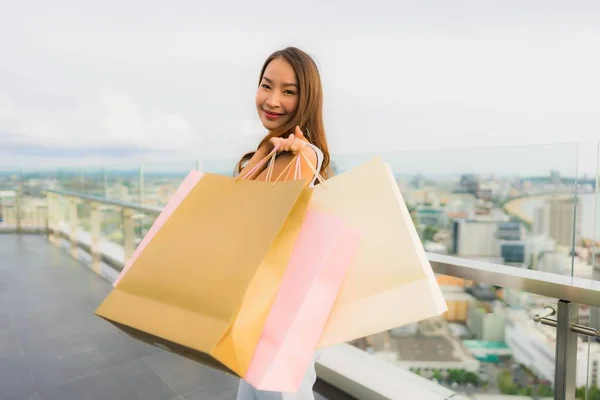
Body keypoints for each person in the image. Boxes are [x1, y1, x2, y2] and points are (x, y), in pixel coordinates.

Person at [234, 46, 331, 400]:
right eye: (266, 85)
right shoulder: (270, 152)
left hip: (285, 316)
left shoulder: (302, 155)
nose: (272, 100)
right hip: (262, 308)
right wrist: (262, 154)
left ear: (306, 99)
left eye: (289, 91)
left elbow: (245, 223)